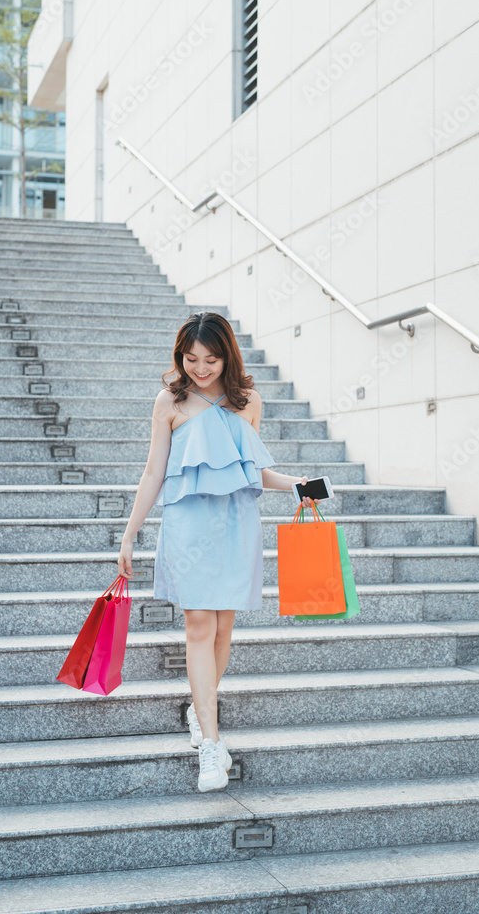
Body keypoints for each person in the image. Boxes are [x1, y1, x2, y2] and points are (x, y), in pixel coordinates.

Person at [117, 311, 319, 792]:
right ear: (180, 358)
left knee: (224, 627)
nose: (200, 368)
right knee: (199, 625)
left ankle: (199, 705)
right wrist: (129, 534)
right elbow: (153, 473)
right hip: (189, 525)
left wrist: (297, 485)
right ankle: (210, 742)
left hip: (235, 526)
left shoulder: (248, 402)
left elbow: (249, 470)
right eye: (191, 359)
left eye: (210, 359)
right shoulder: (170, 401)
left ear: (227, 356)